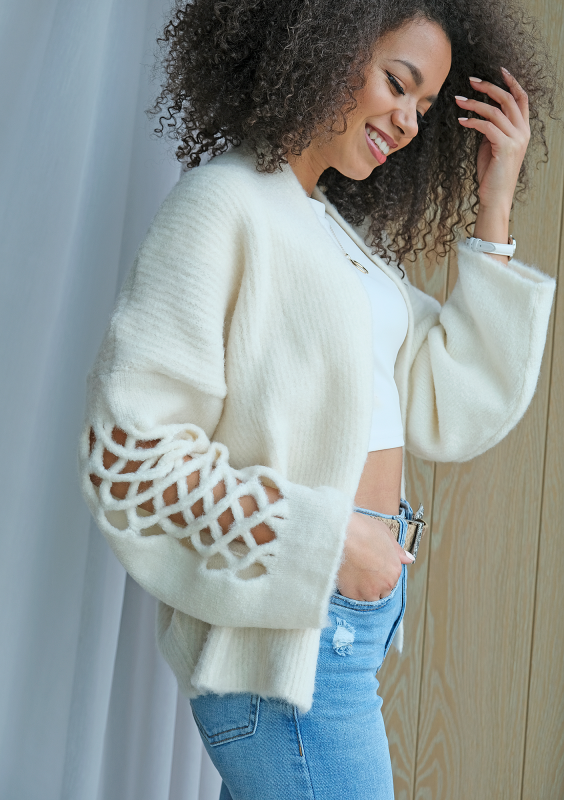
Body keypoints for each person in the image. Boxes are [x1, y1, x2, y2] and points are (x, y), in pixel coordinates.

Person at [79, 0, 557, 797]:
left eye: (424, 106)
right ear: (328, 45)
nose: (407, 121)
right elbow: (129, 457)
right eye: (397, 83)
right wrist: (327, 540)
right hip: (291, 640)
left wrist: (495, 204)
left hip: (344, 631)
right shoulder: (223, 204)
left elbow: (452, 398)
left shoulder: (341, 236)